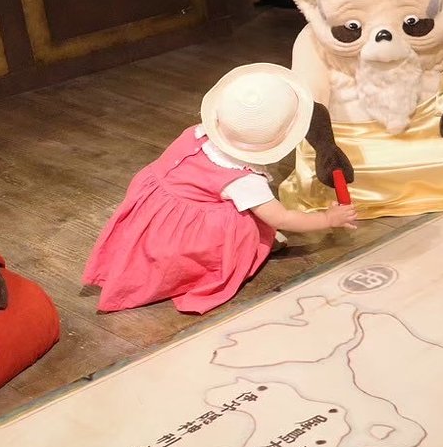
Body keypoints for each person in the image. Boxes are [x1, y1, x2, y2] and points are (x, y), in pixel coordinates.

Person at [83, 63, 357, 314]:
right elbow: (282, 218)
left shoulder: (196, 133)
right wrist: (327, 218)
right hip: (188, 234)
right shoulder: (244, 181)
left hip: (154, 214)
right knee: (244, 218)